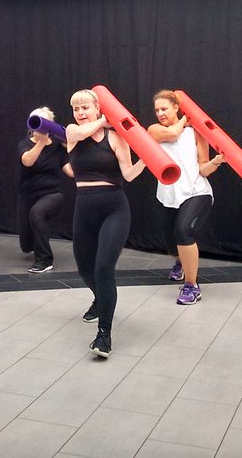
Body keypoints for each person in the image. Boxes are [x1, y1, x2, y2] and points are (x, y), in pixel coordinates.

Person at [64, 88, 146, 359]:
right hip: (84, 208)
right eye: (76, 108)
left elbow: (129, 175)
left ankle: (104, 335)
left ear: (98, 107)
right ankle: (100, 300)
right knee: (85, 269)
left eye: (85, 107)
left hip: (114, 207)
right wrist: (106, 120)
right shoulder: (72, 132)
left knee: (103, 269)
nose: (80, 113)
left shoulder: (115, 138)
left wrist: (147, 158)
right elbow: (82, 132)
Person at [147, 90, 225, 305]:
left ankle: (192, 286)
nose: (160, 113)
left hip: (196, 192)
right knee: (171, 244)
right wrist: (185, 119)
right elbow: (172, 134)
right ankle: (180, 263)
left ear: (175, 107)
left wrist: (218, 160)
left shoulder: (197, 134)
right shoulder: (154, 130)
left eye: (165, 108)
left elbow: (204, 169)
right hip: (168, 195)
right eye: (157, 110)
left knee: (183, 231)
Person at [18, 107, 69, 273]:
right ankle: (36, 246)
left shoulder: (57, 147)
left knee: (37, 213)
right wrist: (41, 141)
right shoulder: (25, 144)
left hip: (52, 193)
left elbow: (71, 171)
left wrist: (73, 148)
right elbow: (27, 161)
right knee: (26, 246)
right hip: (28, 194)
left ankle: (45, 260)